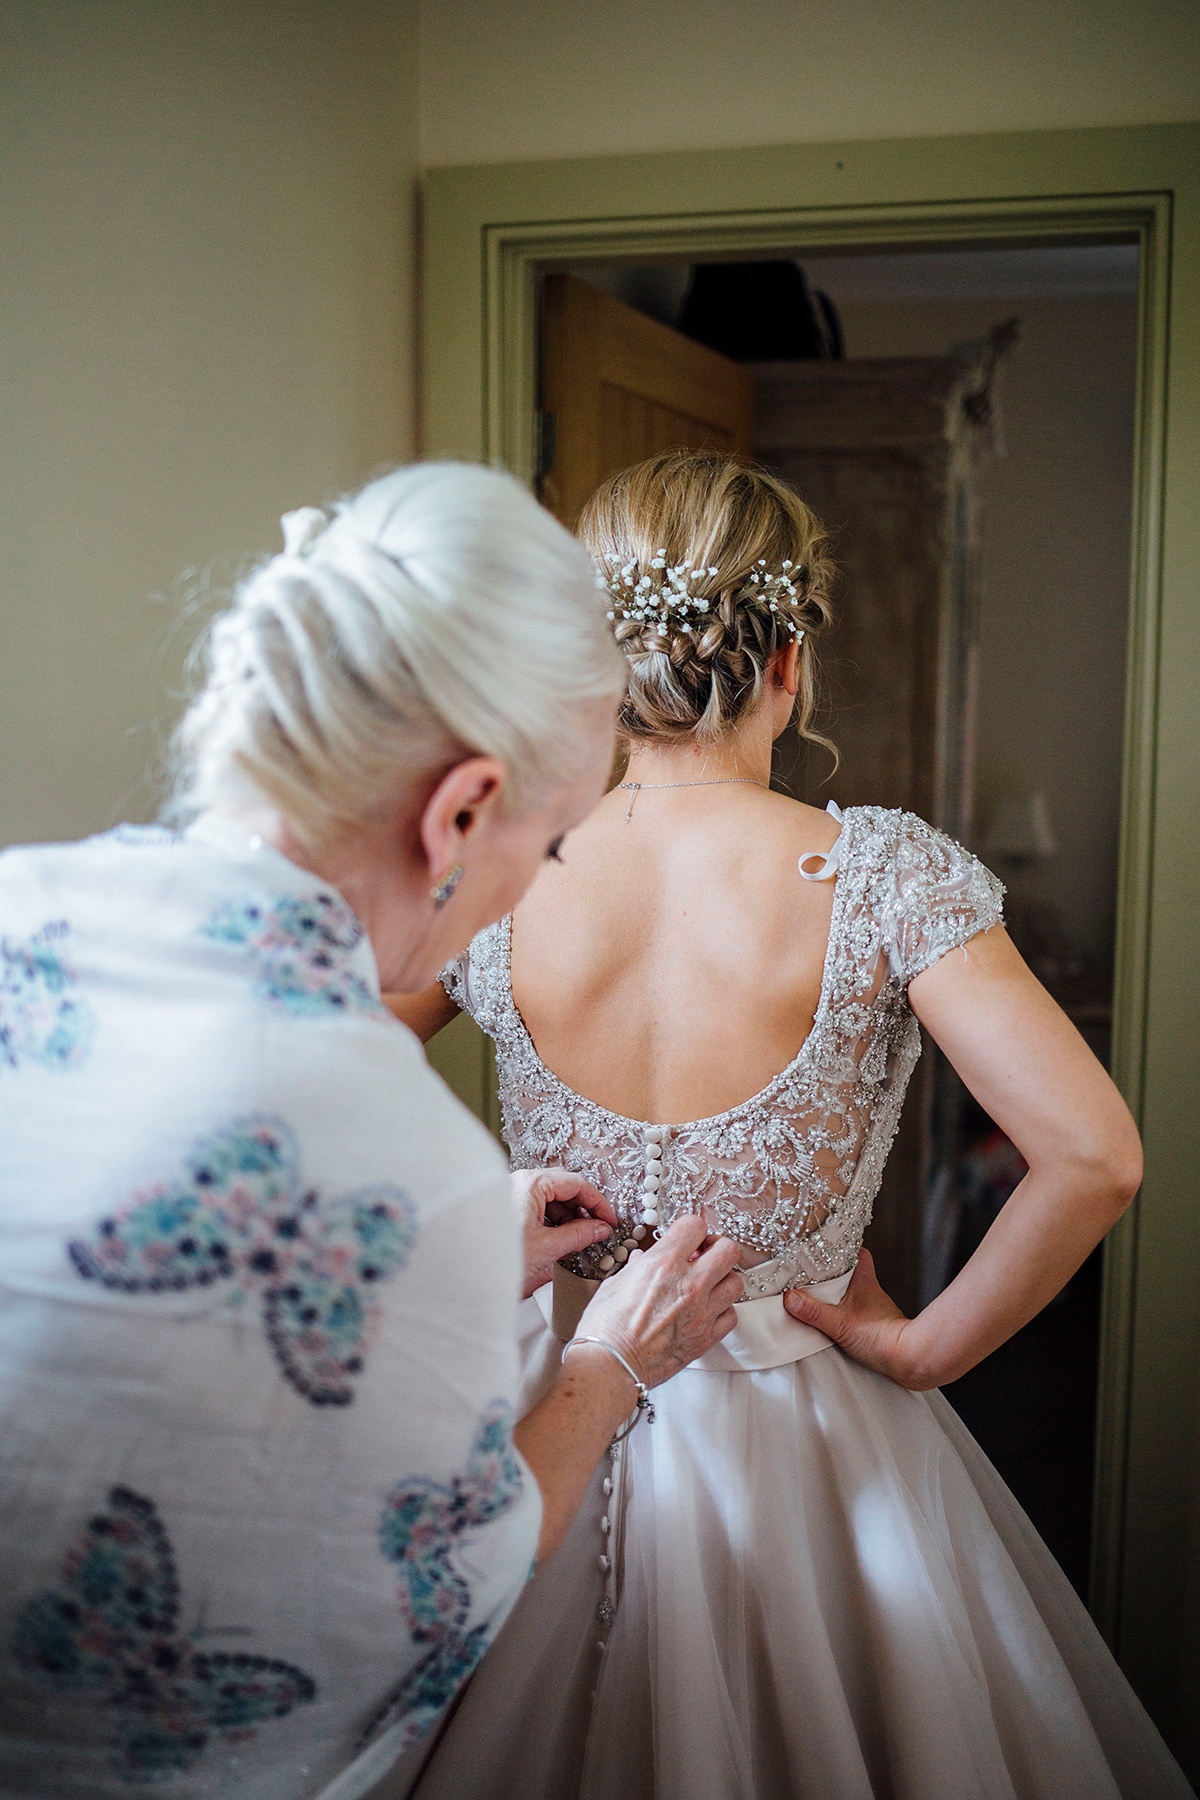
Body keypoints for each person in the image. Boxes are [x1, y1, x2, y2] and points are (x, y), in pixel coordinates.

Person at [392, 452, 1191, 1800]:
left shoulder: (504, 860)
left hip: (541, 1409)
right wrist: (925, 1346)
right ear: (791, 656)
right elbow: (1095, 1157)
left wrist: (468, 1241)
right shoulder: (883, 873)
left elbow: (307, 1081)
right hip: (808, 1431)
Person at [0, 462, 744, 1800]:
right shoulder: (406, 1164)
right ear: (458, 811)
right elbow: (432, 1605)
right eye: (557, 842)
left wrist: (415, 1264)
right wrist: (608, 1367)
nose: (547, 879)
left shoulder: (18, 910)